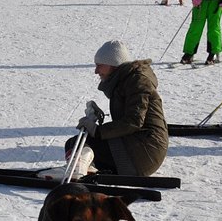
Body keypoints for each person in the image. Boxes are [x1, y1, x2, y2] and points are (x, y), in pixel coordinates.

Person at [63, 40, 168, 177]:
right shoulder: (126, 80)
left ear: (113, 65)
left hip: (144, 152)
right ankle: (85, 168)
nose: (96, 71)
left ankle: (79, 170)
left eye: (99, 65)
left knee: (77, 145)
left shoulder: (137, 82)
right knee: (77, 144)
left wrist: (98, 131)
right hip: (139, 146)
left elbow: (134, 121)